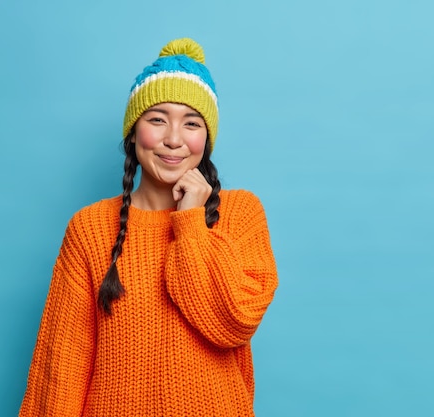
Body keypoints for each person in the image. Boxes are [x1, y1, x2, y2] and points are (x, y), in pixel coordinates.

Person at [19, 38, 278, 417]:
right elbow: (62, 366)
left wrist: (189, 221)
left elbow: (234, 320)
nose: (173, 139)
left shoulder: (240, 213)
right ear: (133, 132)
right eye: (157, 120)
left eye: (191, 123)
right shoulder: (90, 228)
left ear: (206, 139)